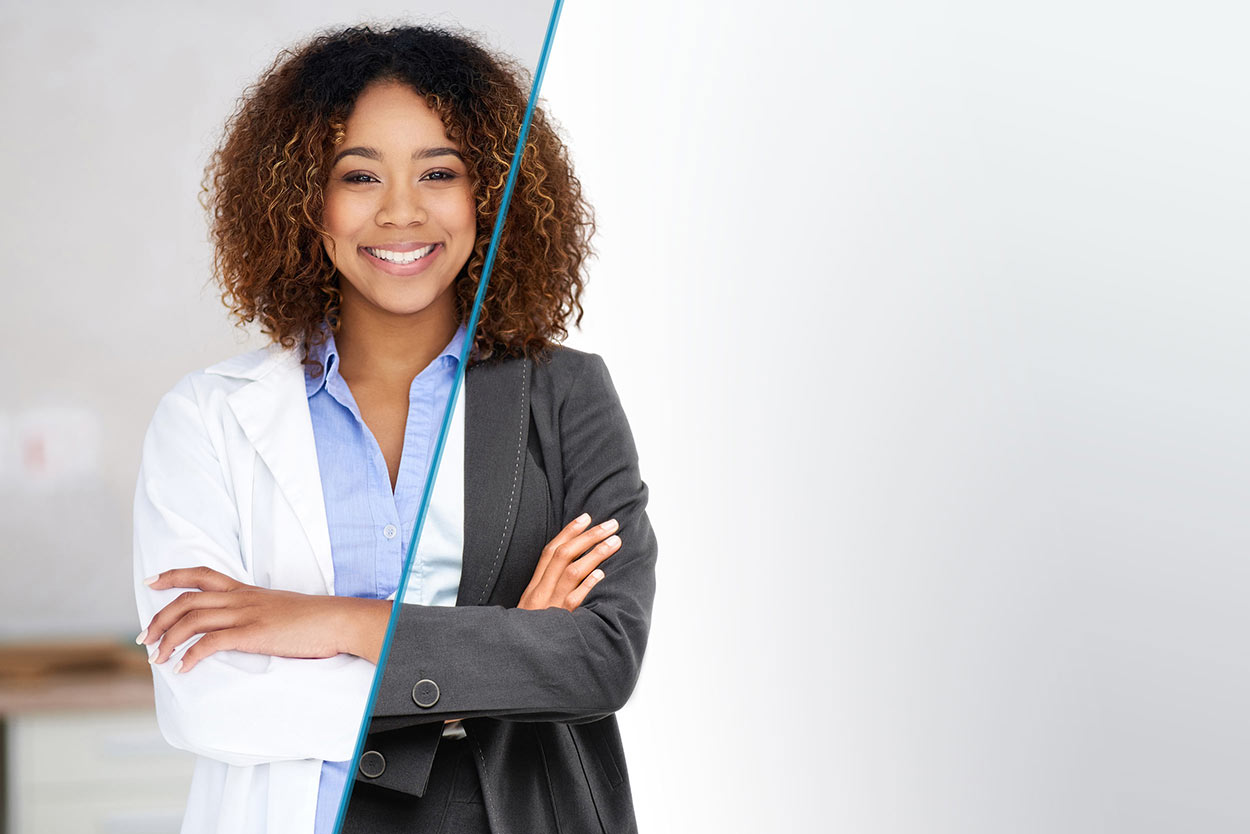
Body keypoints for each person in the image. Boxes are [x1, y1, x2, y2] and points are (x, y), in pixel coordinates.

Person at [132, 24, 656, 834]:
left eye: (439, 172)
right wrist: (504, 654)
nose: (401, 211)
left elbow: (599, 661)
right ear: (308, 201)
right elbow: (208, 699)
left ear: (490, 192)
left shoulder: (563, 395)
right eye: (359, 175)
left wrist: (333, 621)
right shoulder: (205, 419)